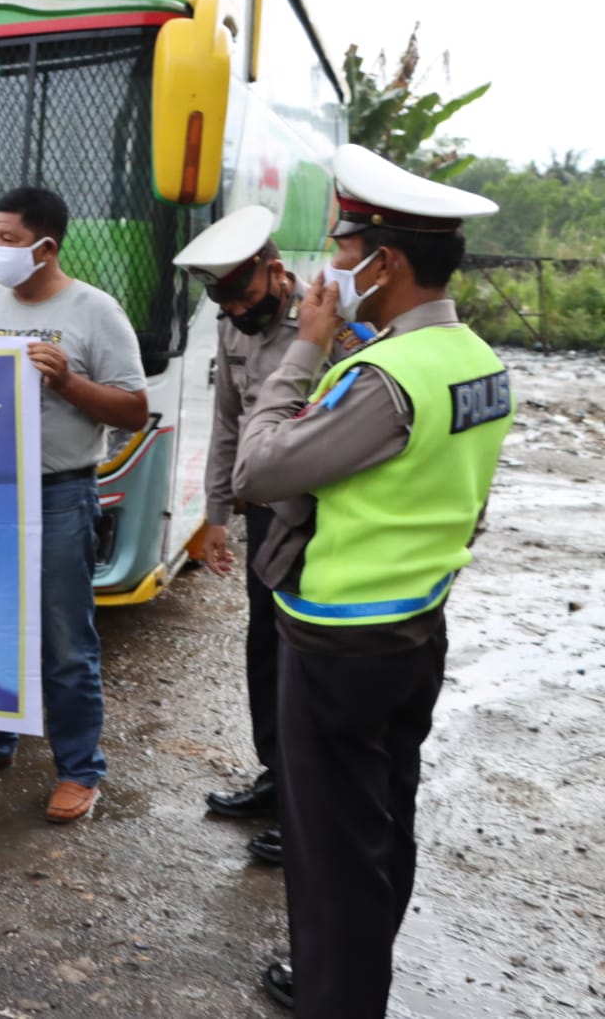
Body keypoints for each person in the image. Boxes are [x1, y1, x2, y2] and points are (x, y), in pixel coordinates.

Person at [233, 145, 509, 1016]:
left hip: (339, 639)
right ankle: (352, 976)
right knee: (382, 816)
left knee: (330, 845)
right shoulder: (474, 361)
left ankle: (336, 996)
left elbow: (261, 469)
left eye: (346, 252)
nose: (334, 270)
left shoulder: (379, 378)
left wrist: (307, 354)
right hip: (417, 622)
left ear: (385, 262)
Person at [0, 187, 148, 822]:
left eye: (10, 240)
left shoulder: (94, 311)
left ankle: (80, 770)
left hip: (58, 495)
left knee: (65, 644)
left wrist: (68, 381)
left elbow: (134, 409)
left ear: (46, 246)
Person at [172, 205, 307, 865]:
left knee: (306, 661)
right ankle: (276, 777)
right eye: (221, 300)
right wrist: (216, 518)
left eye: (243, 294)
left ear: (275, 272)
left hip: (317, 521)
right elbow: (228, 422)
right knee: (266, 652)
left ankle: (305, 807)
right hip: (264, 519)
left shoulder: (327, 330)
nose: (234, 311)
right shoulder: (234, 325)